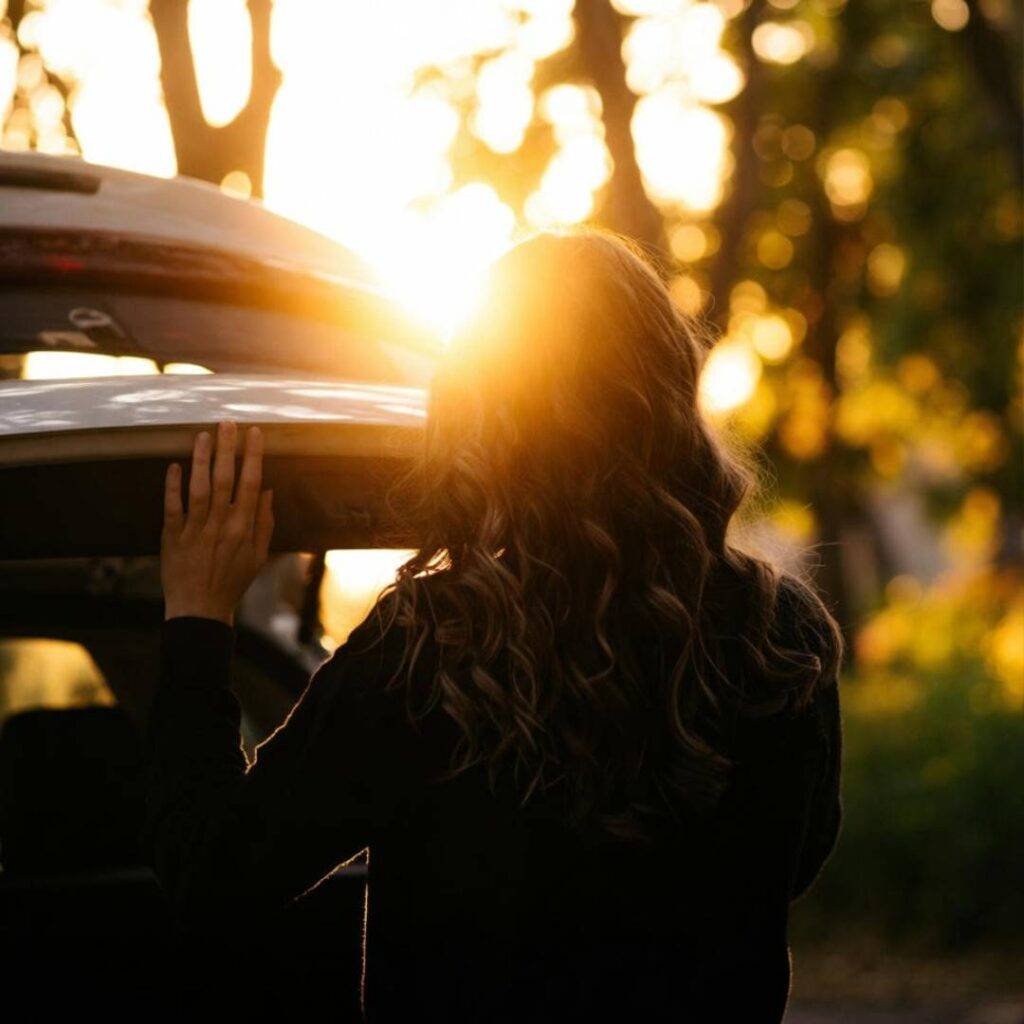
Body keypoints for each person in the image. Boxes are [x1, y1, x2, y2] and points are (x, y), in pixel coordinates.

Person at [147, 230, 843, 1022]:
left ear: (486, 411)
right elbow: (789, 868)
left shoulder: (434, 645)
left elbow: (212, 875)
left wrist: (198, 622)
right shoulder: (783, 637)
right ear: (669, 389)